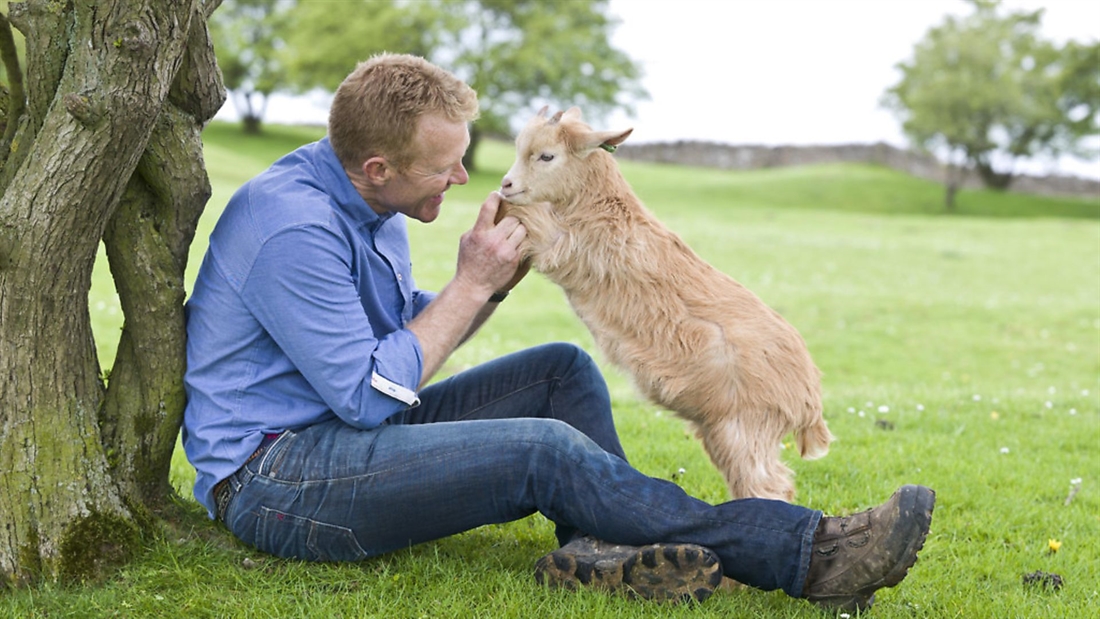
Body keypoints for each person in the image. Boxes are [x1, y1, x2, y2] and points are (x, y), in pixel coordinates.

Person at [182, 53, 935, 612]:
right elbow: (366, 393)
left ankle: (606, 548)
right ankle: (806, 552)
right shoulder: (293, 227)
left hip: (346, 431)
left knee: (561, 372)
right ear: (377, 167)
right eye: (444, 168)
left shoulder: (366, 201)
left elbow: (400, 334)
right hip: (279, 479)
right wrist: (472, 282)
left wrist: (492, 284)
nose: (465, 180)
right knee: (541, 449)